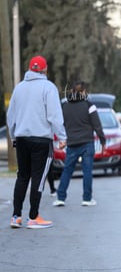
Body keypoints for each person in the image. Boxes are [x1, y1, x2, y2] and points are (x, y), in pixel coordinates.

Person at [7, 55, 67, 229]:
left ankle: (16, 216)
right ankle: (33, 217)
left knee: (22, 176)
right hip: (41, 139)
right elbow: (54, 115)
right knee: (39, 179)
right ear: (45, 69)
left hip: (22, 139)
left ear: (29, 69)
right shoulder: (48, 87)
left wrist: (13, 137)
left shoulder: (19, 88)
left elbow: (11, 116)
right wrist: (62, 137)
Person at [53, 81, 106, 207]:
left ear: (71, 91)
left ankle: (60, 198)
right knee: (87, 170)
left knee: (67, 170)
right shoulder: (89, 105)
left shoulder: (64, 106)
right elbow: (97, 125)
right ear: (84, 92)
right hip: (87, 143)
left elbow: (60, 124)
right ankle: (87, 199)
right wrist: (103, 141)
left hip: (71, 143)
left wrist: (63, 139)